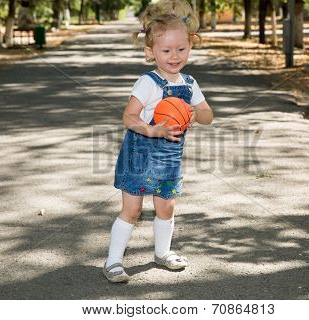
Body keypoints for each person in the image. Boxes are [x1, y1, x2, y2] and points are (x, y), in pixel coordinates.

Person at [103, 0, 214, 283]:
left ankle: (162, 253)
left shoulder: (189, 83)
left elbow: (208, 116)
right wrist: (151, 130)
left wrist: (194, 111)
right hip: (139, 156)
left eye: (181, 49)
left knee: (166, 207)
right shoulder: (148, 82)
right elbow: (128, 117)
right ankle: (113, 261)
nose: (174, 56)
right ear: (150, 52)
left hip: (169, 158)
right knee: (132, 210)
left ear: (190, 46)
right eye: (166, 50)